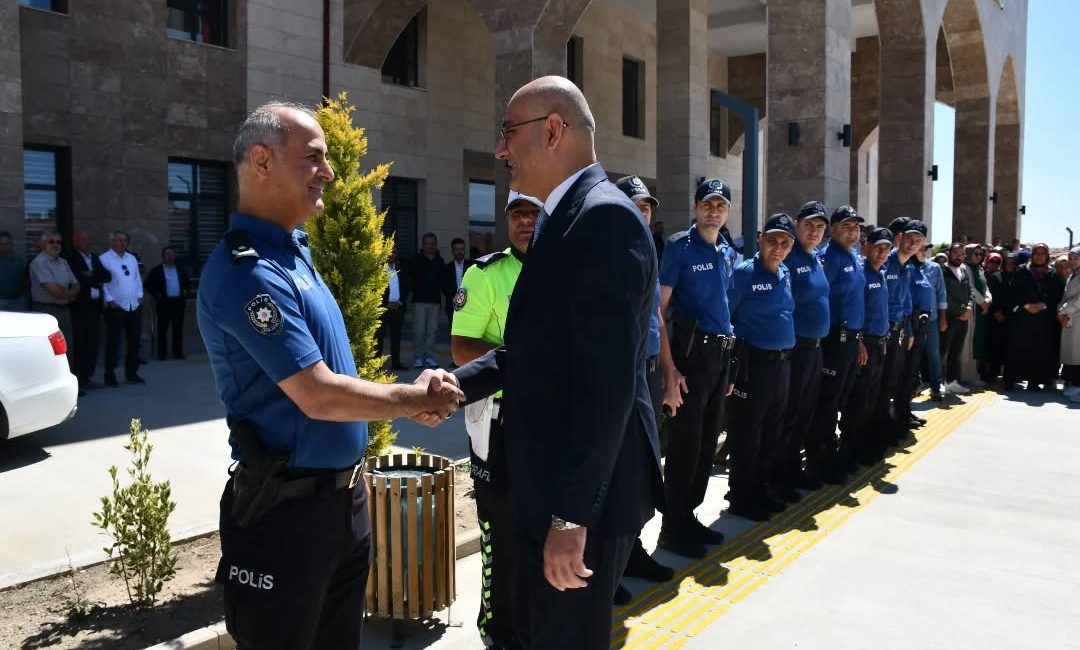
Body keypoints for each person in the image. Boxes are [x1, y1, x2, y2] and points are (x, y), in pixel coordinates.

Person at [197, 101, 463, 650]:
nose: (330, 172)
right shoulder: (248, 272)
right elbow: (316, 394)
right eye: (313, 157)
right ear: (261, 161)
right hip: (285, 516)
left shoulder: (293, 253)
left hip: (341, 504)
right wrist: (411, 398)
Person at [452, 76, 663, 649]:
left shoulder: (604, 220)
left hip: (579, 501)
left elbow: (606, 387)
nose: (500, 149)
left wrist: (570, 518)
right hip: (549, 485)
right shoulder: (563, 216)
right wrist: (454, 385)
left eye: (508, 132)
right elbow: (537, 350)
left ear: (552, 131)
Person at [450, 191, 539, 649]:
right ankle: (498, 626)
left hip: (546, 419)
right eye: (517, 214)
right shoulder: (484, 274)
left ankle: (530, 619)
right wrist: (523, 362)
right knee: (500, 526)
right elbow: (461, 349)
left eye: (534, 214)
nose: (526, 221)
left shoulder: (560, 269)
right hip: (498, 419)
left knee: (539, 522)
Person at [657, 178, 738, 558]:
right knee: (685, 445)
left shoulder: (728, 251)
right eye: (708, 204)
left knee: (706, 443)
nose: (714, 211)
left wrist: (729, 366)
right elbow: (659, 311)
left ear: (728, 212)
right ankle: (671, 528)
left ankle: (688, 516)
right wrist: (669, 370)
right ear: (695, 206)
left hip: (719, 356)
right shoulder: (679, 247)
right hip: (691, 356)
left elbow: (725, 308)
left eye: (721, 205)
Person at [612, 175, 678, 603]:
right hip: (623, 376)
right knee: (615, 471)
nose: (642, 212)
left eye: (647, 206)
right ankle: (607, 565)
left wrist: (669, 372)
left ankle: (631, 550)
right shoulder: (609, 254)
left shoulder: (648, 251)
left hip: (650, 373)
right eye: (634, 205)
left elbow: (657, 317)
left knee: (642, 470)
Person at [726, 213, 797, 521]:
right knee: (748, 432)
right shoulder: (744, 273)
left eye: (785, 243)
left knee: (771, 430)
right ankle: (741, 495)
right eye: (772, 241)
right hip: (752, 366)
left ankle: (759, 489)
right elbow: (726, 315)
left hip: (781, 365)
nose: (777, 248)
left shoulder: (785, 273)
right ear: (760, 240)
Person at [772, 201, 829, 502]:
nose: (814, 231)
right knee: (789, 414)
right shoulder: (790, 258)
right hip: (797, 349)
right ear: (797, 224)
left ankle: (793, 468)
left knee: (805, 412)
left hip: (815, 348)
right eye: (809, 225)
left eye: (820, 227)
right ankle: (780, 475)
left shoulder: (816, 258)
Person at [805, 205, 865, 486]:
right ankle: (820, 460)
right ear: (833, 229)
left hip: (851, 338)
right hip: (834, 340)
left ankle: (832, 453)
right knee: (827, 403)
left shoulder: (852, 255)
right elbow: (819, 296)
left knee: (841, 399)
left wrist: (859, 340)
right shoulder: (829, 257)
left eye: (856, 227)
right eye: (846, 226)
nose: (852, 232)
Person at [837, 227, 892, 466]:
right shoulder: (862, 274)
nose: (882, 253)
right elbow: (854, 311)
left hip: (879, 343)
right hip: (865, 344)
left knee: (871, 399)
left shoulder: (881, 274)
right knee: (858, 401)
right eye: (878, 247)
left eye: (887, 249)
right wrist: (859, 342)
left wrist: (884, 339)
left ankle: (862, 444)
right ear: (866, 246)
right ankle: (850, 449)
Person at [872, 218, 923, 452]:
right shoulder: (886, 262)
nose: (913, 244)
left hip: (900, 331)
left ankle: (886, 426)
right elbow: (878, 301)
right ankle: (877, 431)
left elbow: (906, 302)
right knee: (880, 384)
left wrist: (909, 330)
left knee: (892, 381)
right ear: (900, 238)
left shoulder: (909, 267)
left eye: (918, 241)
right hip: (884, 331)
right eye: (910, 238)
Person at [1005, 243, 1064, 391]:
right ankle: (1011, 380)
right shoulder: (1021, 270)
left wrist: (1044, 305)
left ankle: (1034, 381)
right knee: (1017, 348)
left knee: (1039, 350)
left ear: (1047, 256)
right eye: (1037, 253)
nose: (1039, 257)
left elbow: (1057, 295)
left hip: (1043, 320)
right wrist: (1026, 305)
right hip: (1023, 318)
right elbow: (1013, 292)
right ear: (1032, 255)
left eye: (1043, 254)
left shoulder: (1053, 273)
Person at [99, 230, 146, 386]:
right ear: (112, 242)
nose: (122, 243)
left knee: (134, 341)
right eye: (119, 240)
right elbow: (102, 282)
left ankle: (132, 373)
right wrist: (109, 300)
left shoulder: (131, 258)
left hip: (133, 305)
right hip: (116, 307)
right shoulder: (104, 259)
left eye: (124, 241)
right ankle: (110, 375)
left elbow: (137, 278)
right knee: (113, 342)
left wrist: (139, 296)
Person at [66, 231, 111, 388]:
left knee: (93, 342)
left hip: (94, 307)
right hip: (80, 307)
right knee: (80, 343)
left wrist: (90, 275)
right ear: (75, 241)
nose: (86, 242)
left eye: (87, 239)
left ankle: (88, 376)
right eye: (82, 239)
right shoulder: (71, 258)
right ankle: (79, 378)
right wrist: (94, 277)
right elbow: (76, 278)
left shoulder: (94, 258)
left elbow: (107, 276)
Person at [28, 231, 79, 367]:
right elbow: (54, 292)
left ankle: (68, 376)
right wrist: (70, 293)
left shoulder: (63, 262)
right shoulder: (39, 263)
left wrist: (66, 291)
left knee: (67, 346)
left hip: (64, 309)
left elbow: (76, 284)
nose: (55, 245)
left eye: (58, 242)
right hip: (46, 310)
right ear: (42, 244)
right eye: (51, 242)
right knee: (49, 349)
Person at [145, 246, 191, 360]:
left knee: (178, 329)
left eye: (172, 254)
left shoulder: (179, 268)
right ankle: (162, 354)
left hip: (178, 302)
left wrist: (186, 291)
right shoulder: (156, 270)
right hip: (164, 303)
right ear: (163, 256)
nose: (170, 257)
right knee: (162, 329)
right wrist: (157, 294)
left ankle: (177, 352)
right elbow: (148, 285)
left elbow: (187, 282)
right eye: (167, 254)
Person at [940, 242, 974, 396]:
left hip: (963, 318)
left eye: (962, 254)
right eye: (956, 253)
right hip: (948, 317)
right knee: (943, 351)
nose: (959, 256)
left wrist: (969, 307)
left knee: (956, 352)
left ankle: (953, 382)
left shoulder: (964, 271)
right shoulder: (942, 271)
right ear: (949, 253)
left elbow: (970, 292)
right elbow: (942, 294)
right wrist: (959, 310)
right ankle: (940, 383)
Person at [409, 232, 444, 368]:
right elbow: (410, 280)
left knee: (432, 332)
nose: (430, 246)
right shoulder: (415, 260)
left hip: (434, 301)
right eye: (427, 243)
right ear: (423, 245)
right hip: (419, 301)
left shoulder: (440, 261)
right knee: (419, 331)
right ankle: (418, 357)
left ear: (436, 245)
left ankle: (429, 356)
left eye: (432, 244)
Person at [920, 244, 948, 401]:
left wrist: (943, 318)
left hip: (931, 319)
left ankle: (936, 387)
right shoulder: (907, 266)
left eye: (925, 248)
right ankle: (911, 386)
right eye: (920, 248)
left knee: (933, 353)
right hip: (911, 320)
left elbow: (941, 293)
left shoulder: (935, 268)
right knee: (912, 356)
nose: (923, 251)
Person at [962, 244, 992, 386]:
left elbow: (986, 287)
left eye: (981, 254)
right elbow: (970, 288)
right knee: (968, 344)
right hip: (971, 309)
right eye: (976, 254)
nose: (979, 257)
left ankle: (974, 374)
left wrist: (988, 300)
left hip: (980, 310)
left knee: (976, 343)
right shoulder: (964, 268)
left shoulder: (980, 269)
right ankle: (966, 375)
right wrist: (982, 302)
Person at [377, 249, 407, 370]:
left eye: (393, 252)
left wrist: (400, 302)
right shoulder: (379, 269)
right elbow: (375, 289)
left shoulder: (400, 268)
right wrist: (385, 304)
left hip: (398, 307)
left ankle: (396, 362)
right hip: (384, 308)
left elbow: (406, 286)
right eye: (389, 252)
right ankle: (377, 365)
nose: (391, 255)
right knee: (379, 336)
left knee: (396, 336)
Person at [1058, 247, 1080, 401]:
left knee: (1078, 354)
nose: (1072, 261)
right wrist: (1060, 310)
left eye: (1076, 258)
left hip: (1077, 318)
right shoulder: (1072, 275)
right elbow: (1065, 297)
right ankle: (1073, 385)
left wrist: (1063, 311)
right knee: (1071, 354)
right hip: (1069, 318)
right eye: (1070, 258)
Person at [443, 237, 473, 334]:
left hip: (469, 305)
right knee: (453, 332)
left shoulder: (472, 267)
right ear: (452, 251)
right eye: (457, 249)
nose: (459, 252)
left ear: (465, 250)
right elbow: (444, 287)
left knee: (468, 332)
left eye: (461, 249)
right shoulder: (447, 268)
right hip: (452, 306)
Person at [0, 231, 27, 311]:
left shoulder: (19, 260)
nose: (5, 246)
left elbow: (24, 279)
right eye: (2, 244)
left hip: (18, 300)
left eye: (7, 243)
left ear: (12, 244)